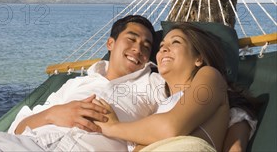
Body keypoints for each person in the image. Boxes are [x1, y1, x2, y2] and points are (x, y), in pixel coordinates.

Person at [0, 16, 255, 152]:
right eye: (131, 39)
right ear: (111, 43)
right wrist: (55, 113)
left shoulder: (156, 86)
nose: (142, 48)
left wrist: (111, 127)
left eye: (150, 46)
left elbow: (199, 117)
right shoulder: (72, 83)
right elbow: (21, 126)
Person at [94, 23, 255, 152]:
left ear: (198, 57)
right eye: (161, 46)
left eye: (176, 42)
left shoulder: (210, 75)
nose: (163, 48)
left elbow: (170, 128)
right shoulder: (160, 106)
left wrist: (113, 127)